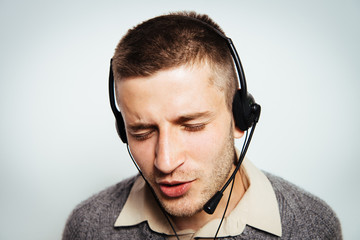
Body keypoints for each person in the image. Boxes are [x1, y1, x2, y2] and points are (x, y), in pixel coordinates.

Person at [62, 11, 342, 239]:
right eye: (142, 132)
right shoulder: (87, 227)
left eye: (192, 125)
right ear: (123, 132)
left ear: (241, 118)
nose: (166, 162)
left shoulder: (312, 225)